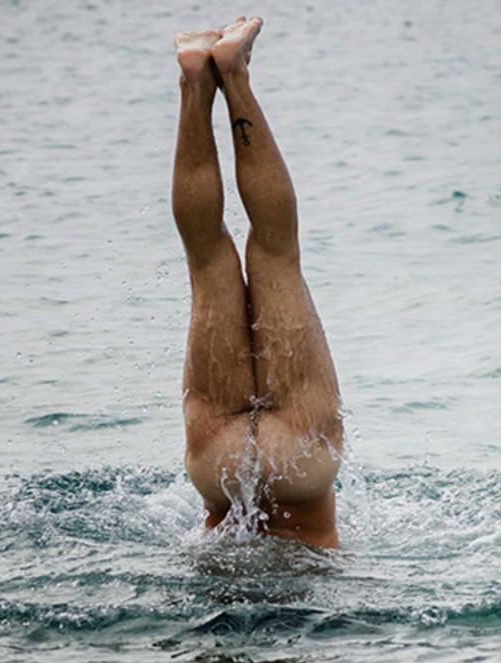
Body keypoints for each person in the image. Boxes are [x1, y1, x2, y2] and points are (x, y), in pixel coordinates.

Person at [171, 17, 343, 548]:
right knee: (275, 251)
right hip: (299, 458)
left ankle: (197, 81)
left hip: (217, 465)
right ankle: (233, 76)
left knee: (207, 260)